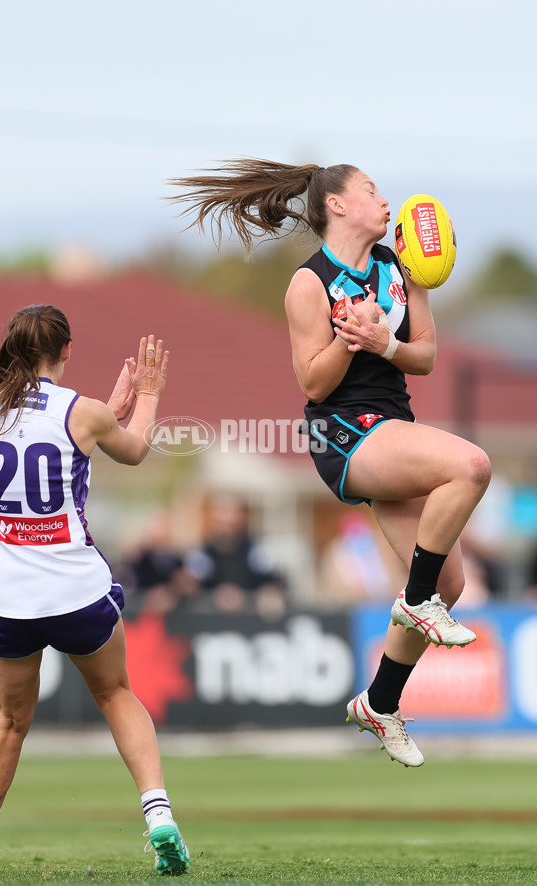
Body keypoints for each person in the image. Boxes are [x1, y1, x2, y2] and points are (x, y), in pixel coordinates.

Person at [170, 159, 492, 767]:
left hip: (393, 429)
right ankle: (417, 603)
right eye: (371, 189)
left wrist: (385, 343)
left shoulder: (404, 265)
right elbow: (313, 383)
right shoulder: (310, 283)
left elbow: (421, 356)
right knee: (471, 466)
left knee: (449, 581)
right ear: (338, 205)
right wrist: (351, 339)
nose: (383, 198)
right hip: (344, 434)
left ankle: (380, 702)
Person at [0, 305, 189, 875]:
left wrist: (106, 405)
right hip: (75, 589)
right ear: (67, 349)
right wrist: (149, 394)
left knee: (9, 719)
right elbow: (129, 448)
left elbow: (53, 426)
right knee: (115, 695)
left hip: (7, 594)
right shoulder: (84, 412)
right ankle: (158, 815)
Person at [184, 493, 286, 616]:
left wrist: (268, 591)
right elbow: (191, 587)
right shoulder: (200, 553)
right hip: (209, 620)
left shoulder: (255, 550)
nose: (227, 521)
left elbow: (270, 580)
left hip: (247, 619)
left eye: (231, 514)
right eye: (222, 513)